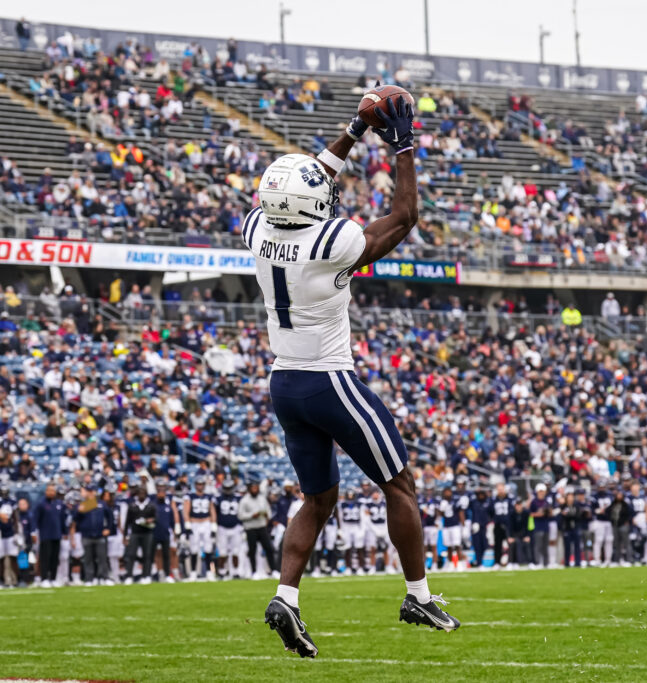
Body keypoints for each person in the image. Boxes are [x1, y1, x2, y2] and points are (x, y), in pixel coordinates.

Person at [244, 94, 459, 658]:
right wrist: (400, 144)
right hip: (328, 381)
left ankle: (285, 598)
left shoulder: (256, 230)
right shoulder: (329, 241)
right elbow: (405, 217)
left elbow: (308, 180)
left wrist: (354, 128)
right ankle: (418, 595)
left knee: (317, 500)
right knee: (399, 486)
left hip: (284, 383)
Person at [239, 479, 278, 579]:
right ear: (249, 489)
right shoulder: (244, 500)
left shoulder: (262, 498)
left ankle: (273, 570)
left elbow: (268, 511)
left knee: (269, 549)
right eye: (253, 488)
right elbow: (240, 515)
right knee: (252, 550)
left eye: (256, 488)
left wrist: (266, 515)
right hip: (251, 528)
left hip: (261, 527)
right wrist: (252, 515)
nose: (255, 490)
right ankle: (254, 572)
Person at [73, 485, 111, 585]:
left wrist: (108, 529)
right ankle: (90, 578)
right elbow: (75, 520)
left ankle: (104, 577)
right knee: (88, 558)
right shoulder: (83, 504)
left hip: (99, 535)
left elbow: (110, 517)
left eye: (92, 491)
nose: (90, 493)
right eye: (89, 491)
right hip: (86, 535)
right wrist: (78, 512)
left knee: (102, 557)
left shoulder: (101, 504)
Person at [33, 483, 66, 587]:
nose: (51, 492)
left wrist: (64, 532)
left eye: (53, 491)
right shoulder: (41, 504)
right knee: (45, 557)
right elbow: (35, 519)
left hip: (57, 534)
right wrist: (34, 531)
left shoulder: (59, 504)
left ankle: (53, 578)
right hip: (45, 534)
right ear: (46, 492)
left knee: (55, 558)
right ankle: (44, 578)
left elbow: (62, 519)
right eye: (49, 490)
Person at [122, 484, 156, 584]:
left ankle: (146, 575)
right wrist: (125, 535)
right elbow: (127, 522)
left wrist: (150, 520)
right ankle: (129, 576)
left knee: (147, 555)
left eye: (143, 493)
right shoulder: (132, 505)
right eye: (139, 493)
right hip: (135, 532)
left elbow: (156, 518)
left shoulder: (151, 505)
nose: (141, 495)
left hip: (147, 532)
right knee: (131, 554)